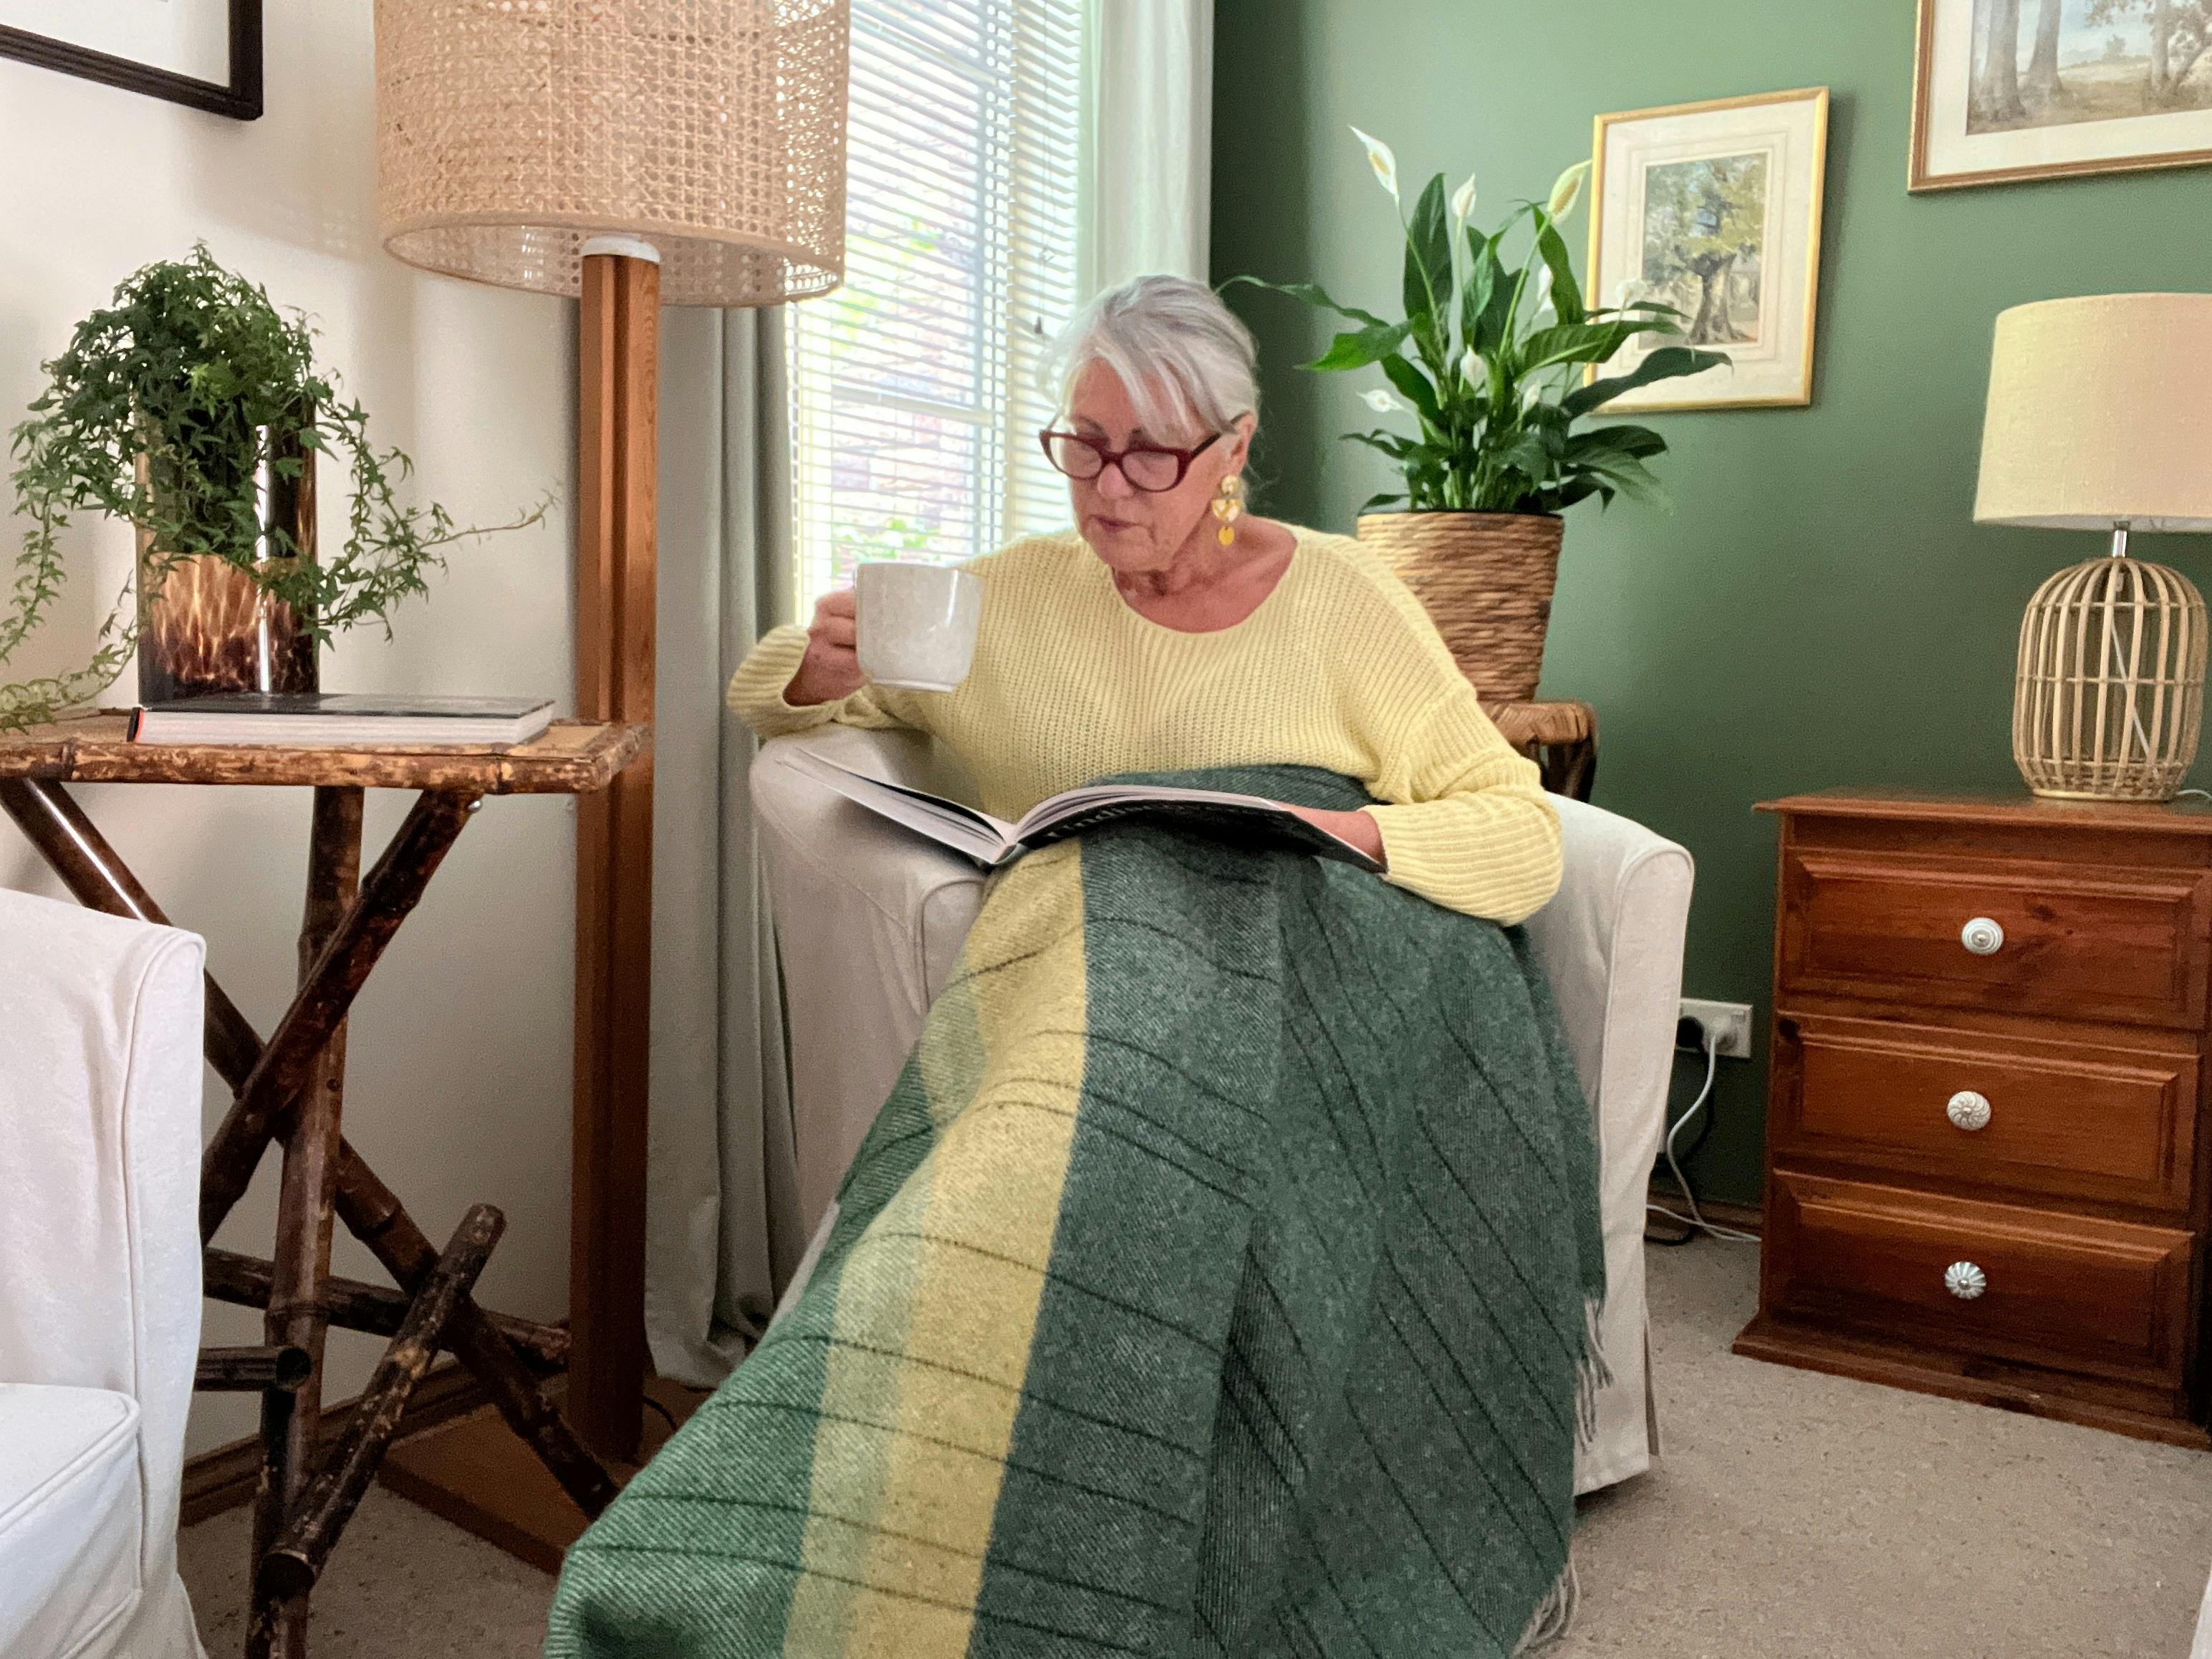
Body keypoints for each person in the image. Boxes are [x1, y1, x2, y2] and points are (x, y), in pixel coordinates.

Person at [727, 273, 1561, 924]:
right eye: (1085, 447)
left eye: (1150, 452)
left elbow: (1524, 835)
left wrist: (1335, 834)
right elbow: (774, 702)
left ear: (1232, 447)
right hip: (1059, 978)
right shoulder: (1007, 594)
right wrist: (813, 668)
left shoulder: (1343, 598)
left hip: (1282, 988)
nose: (1110, 489)